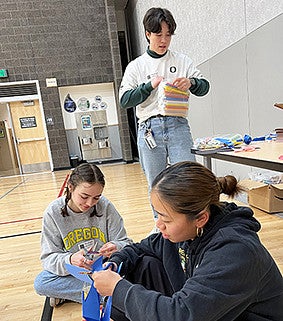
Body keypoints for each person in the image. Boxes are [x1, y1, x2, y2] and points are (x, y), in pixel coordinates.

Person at [91, 161, 283, 321]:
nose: (159, 224)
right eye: (157, 215)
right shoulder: (188, 231)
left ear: (200, 218)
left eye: (165, 219)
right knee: (144, 265)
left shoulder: (234, 251)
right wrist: (115, 263)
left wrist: (117, 289)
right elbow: (142, 247)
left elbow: (181, 315)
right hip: (211, 311)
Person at [119, 7, 210, 220]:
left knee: (187, 177)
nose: (164, 40)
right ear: (147, 34)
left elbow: (204, 87)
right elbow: (124, 100)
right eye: (158, 34)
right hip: (149, 129)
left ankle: (190, 224)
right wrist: (147, 86)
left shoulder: (182, 61)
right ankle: (162, 226)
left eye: (168, 35)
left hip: (178, 125)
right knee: (156, 182)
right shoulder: (136, 66)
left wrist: (191, 82)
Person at [34, 162, 132, 307]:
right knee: (42, 282)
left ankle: (84, 294)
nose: (90, 203)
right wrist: (70, 259)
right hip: (76, 273)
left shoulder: (106, 207)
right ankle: (107, 295)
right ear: (70, 187)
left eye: (96, 197)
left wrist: (116, 246)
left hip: (104, 268)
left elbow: (127, 243)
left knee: (139, 266)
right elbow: (49, 258)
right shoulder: (53, 212)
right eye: (84, 196)